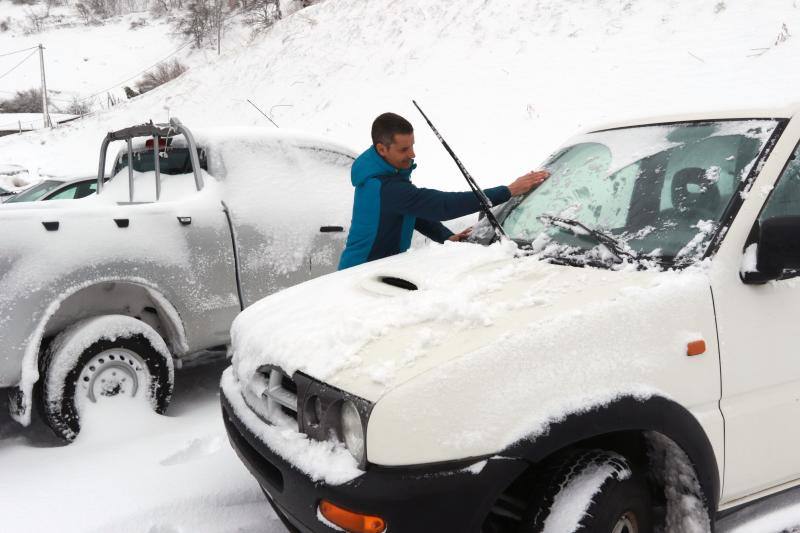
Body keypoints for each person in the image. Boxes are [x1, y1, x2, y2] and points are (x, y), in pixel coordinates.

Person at [337, 112, 549, 270]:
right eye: (404, 149)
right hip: (359, 273)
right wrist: (508, 190)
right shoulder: (383, 187)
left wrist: (446, 237)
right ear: (382, 149)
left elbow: (413, 212)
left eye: (412, 145)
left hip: (378, 269)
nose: (413, 154)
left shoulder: (387, 174)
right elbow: (440, 206)